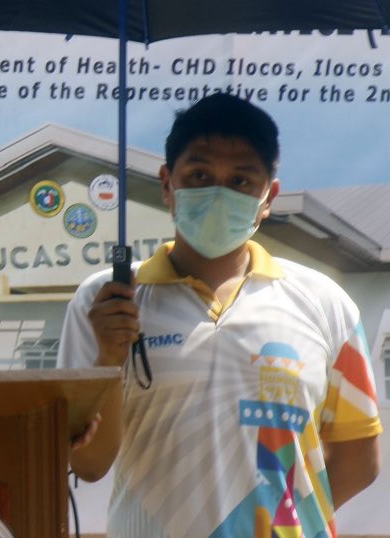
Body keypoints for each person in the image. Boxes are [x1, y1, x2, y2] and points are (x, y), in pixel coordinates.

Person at [59, 93, 382, 537]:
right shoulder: (105, 302)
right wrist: (109, 358)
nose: (218, 192)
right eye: (199, 175)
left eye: (241, 181)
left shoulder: (325, 302)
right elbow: (87, 465)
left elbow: (359, 458)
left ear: (268, 196)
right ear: (168, 185)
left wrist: (279, 520)